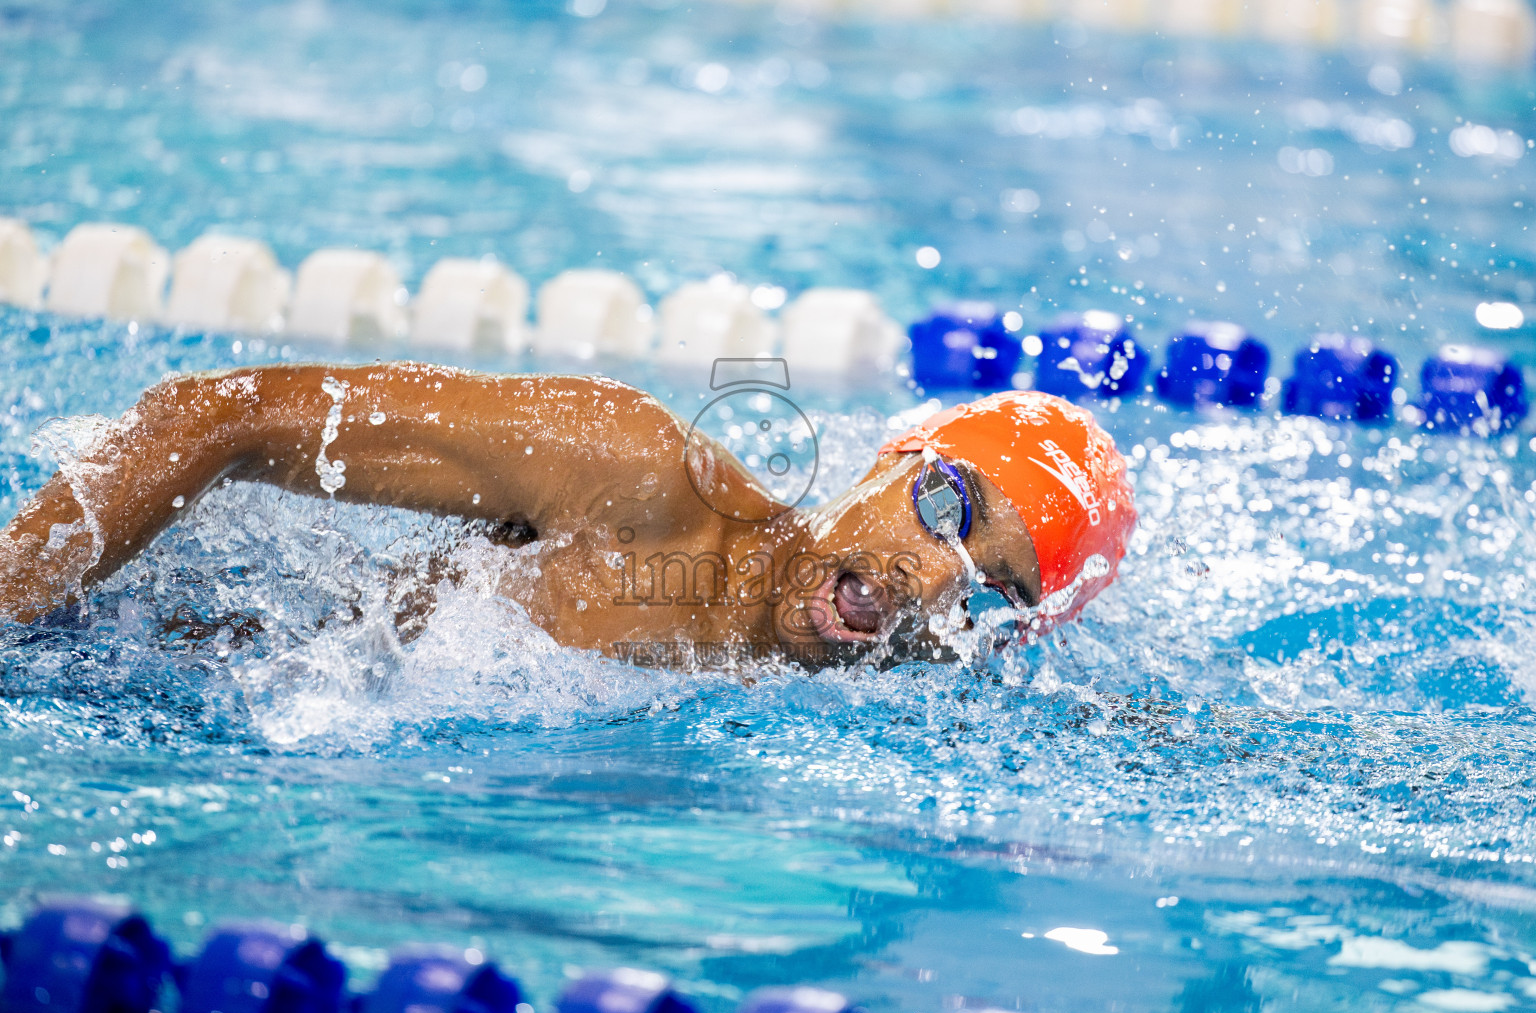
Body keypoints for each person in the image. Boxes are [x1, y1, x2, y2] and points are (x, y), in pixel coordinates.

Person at [0, 363, 1135, 668]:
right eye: (950, 507)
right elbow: (221, 416)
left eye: (992, 595)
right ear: (890, 466)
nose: (937, 580)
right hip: (139, 662)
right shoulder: (640, 479)